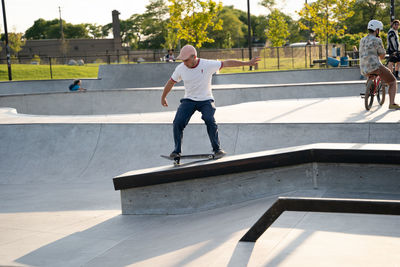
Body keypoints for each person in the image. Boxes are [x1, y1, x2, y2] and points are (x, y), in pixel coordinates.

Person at [161, 44, 261, 158]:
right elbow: (170, 82)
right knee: (178, 122)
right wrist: (163, 97)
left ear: (194, 57)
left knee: (209, 119)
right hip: (189, 100)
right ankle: (176, 151)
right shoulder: (180, 68)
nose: (184, 63)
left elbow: (227, 63)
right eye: (182, 60)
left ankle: (217, 149)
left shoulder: (207, 64)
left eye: (186, 60)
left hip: (206, 100)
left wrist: (247, 63)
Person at [359, 19, 400, 110]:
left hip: (363, 68)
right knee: (393, 82)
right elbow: (382, 55)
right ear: (377, 30)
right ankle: (392, 103)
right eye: (379, 30)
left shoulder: (362, 40)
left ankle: (369, 89)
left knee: (371, 74)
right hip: (375, 66)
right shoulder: (377, 40)